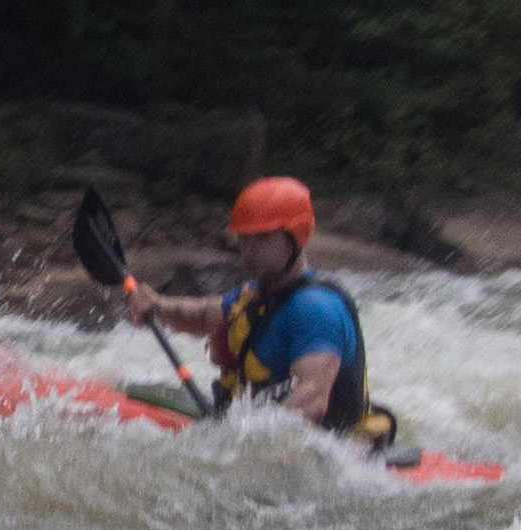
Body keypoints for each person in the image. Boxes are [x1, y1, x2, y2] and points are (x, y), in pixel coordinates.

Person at [120, 176, 399, 446]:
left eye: (263, 238)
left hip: (328, 455)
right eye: (244, 239)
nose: (249, 250)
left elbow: (312, 399)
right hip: (260, 435)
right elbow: (205, 315)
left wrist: (240, 441)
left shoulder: (316, 309)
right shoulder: (255, 294)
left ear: (297, 236)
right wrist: (158, 305)